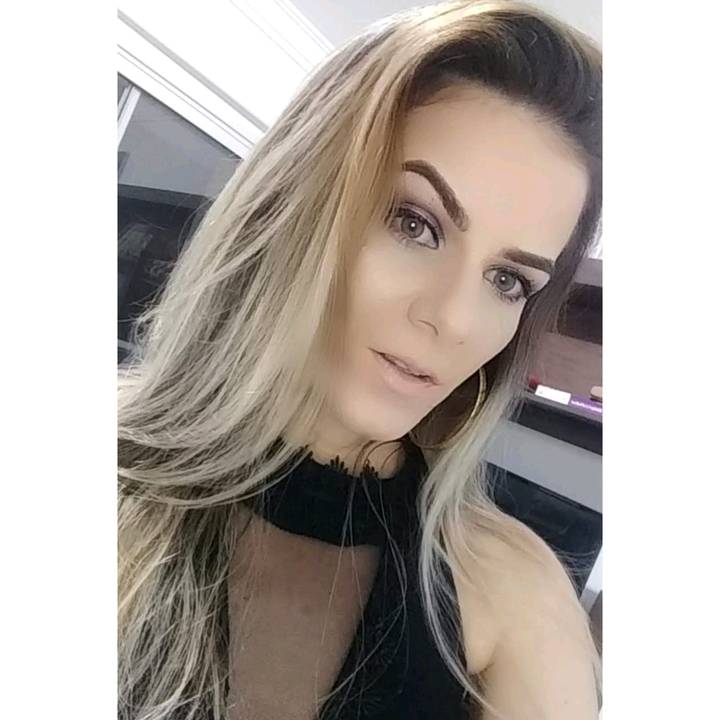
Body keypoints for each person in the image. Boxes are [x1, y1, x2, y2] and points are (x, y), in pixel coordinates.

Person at [117, 1, 602, 718]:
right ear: (294, 199)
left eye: (508, 281)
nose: (454, 320)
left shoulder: (515, 595)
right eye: (415, 223)